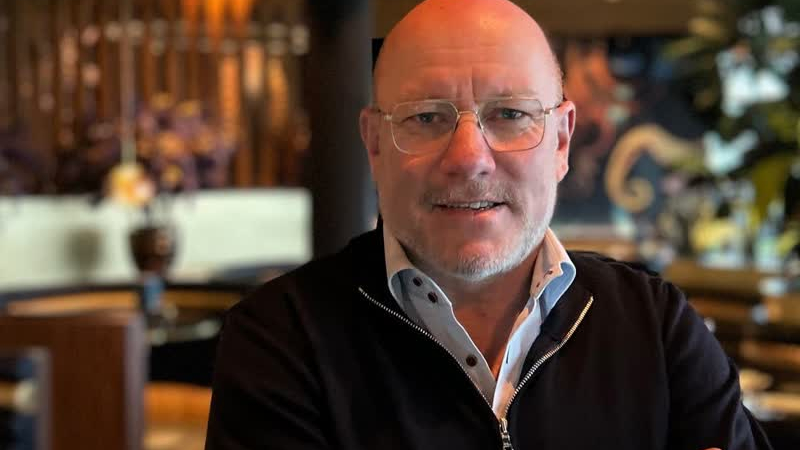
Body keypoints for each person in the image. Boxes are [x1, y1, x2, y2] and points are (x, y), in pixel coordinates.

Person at [205, 0, 773, 449]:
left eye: (510, 114)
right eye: (426, 117)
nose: (469, 158)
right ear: (375, 144)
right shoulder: (280, 340)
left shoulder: (657, 328)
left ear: (562, 141)